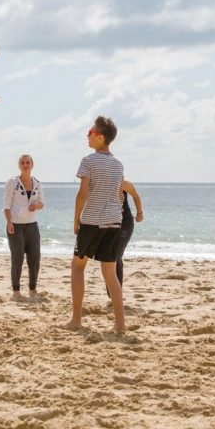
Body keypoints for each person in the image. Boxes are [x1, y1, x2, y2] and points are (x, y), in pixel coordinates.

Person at [65, 116, 126, 333]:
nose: (87, 135)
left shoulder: (89, 161)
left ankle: (76, 320)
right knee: (110, 273)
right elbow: (119, 197)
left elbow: (82, 194)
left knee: (77, 266)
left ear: (100, 137)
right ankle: (120, 325)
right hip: (114, 221)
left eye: (90, 132)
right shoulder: (118, 165)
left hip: (92, 221)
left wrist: (76, 219)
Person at [3, 154, 44, 299]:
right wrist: (9, 222)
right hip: (15, 226)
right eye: (22, 162)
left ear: (32, 165)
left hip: (32, 226)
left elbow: (42, 203)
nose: (25, 165)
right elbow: (6, 205)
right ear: (19, 166)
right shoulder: (12, 183)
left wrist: (36, 206)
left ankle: (33, 289)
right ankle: (16, 291)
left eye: (28, 162)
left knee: (34, 258)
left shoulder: (37, 183)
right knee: (17, 258)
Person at [106, 180, 143, 297]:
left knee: (116, 256)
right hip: (108, 224)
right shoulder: (101, 183)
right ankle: (112, 294)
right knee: (108, 257)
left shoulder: (123, 183)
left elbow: (136, 196)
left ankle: (116, 295)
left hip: (125, 223)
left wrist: (139, 213)